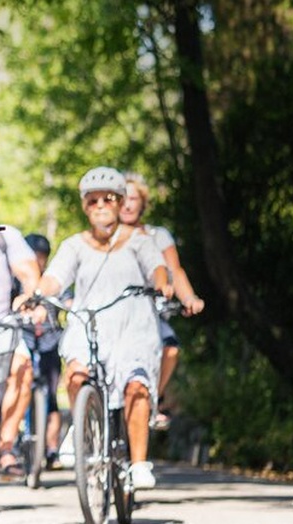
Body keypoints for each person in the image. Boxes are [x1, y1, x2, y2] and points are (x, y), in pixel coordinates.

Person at [20, 166, 171, 489]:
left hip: (133, 325)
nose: (100, 205)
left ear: (119, 203)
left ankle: (140, 463)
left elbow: (158, 268)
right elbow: (55, 278)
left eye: (108, 199)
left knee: (137, 387)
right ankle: (86, 430)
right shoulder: (75, 244)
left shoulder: (139, 240)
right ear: (85, 206)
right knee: (75, 375)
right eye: (92, 201)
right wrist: (35, 294)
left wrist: (162, 285)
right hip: (90, 323)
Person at [119, 172, 204, 429]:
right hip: (115, 311)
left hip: (149, 312)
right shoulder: (105, 237)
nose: (128, 204)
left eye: (134, 198)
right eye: (123, 198)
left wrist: (188, 298)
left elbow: (174, 271)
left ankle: (151, 398)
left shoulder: (158, 236)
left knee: (170, 348)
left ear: (143, 203)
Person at [0, 175, 40, 478]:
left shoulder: (5, 236)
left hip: (3, 326)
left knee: (24, 367)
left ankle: (5, 447)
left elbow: (28, 271)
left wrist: (31, 295)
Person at [21, 233, 69, 470]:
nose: (38, 262)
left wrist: (71, 304)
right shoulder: (19, 280)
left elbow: (68, 298)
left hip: (50, 342)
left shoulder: (53, 281)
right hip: (24, 341)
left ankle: (51, 450)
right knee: (18, 388)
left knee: (51, 397)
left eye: (42, 257)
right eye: (35, 257)